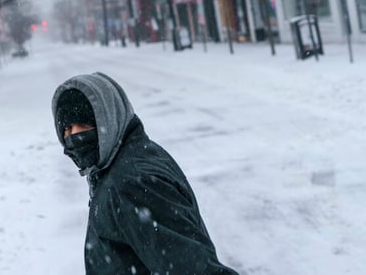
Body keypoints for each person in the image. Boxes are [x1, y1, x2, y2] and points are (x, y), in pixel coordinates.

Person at [51, 72, 240, 275]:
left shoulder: (132, 183)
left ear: (106, 119)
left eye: (81, 124)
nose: (72, 136)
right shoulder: (123, 161)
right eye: (66, 128)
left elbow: (193, 269)